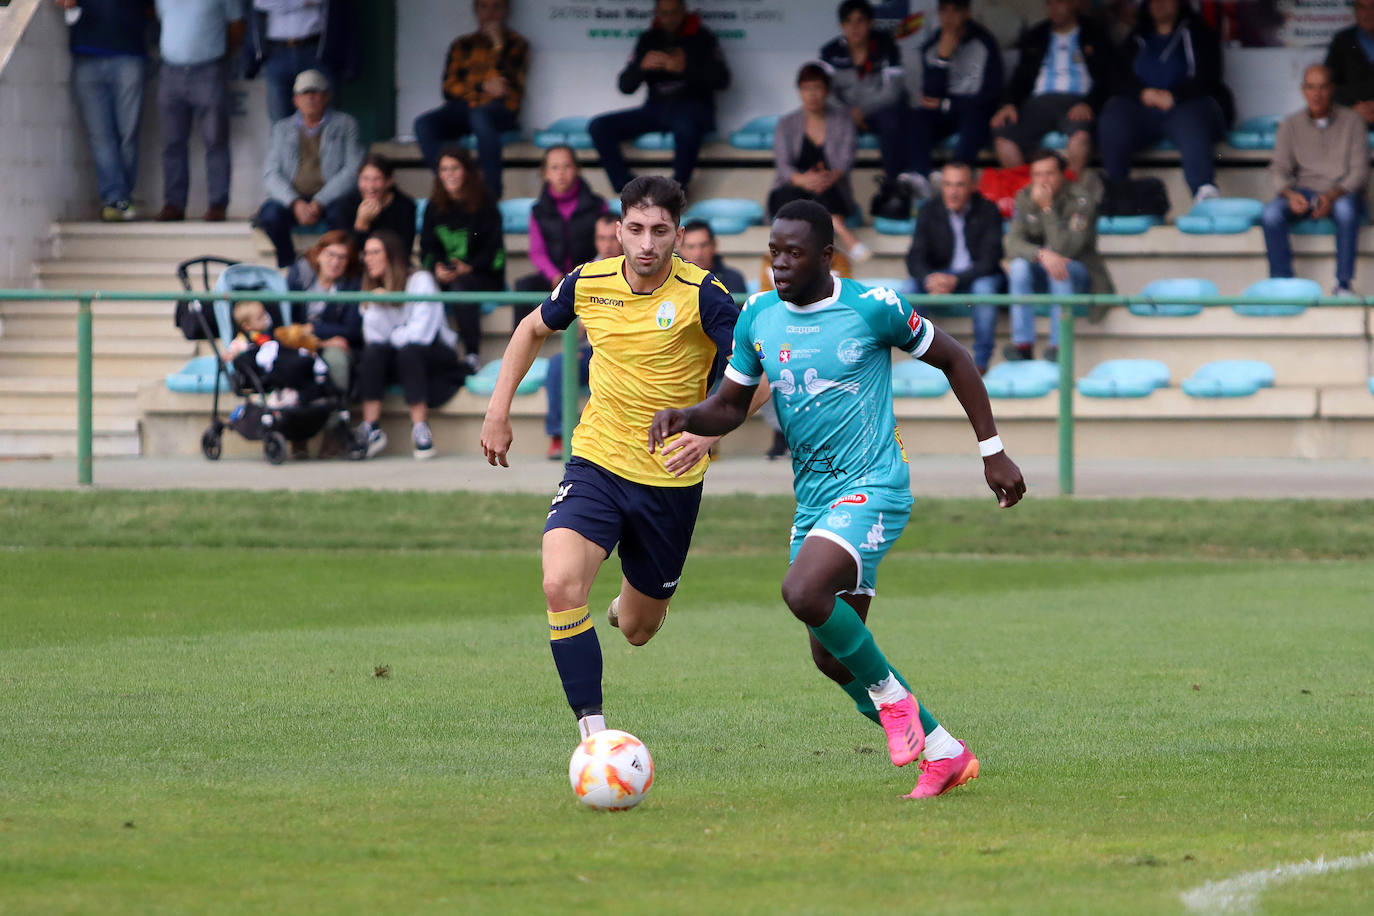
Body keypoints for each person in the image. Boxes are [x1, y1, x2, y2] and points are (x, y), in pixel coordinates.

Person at [648, 199, 1025, 799]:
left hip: (875, 485)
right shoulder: (758, 317)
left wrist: (993, 450)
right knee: (831, 658)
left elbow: (955, 358)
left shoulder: (873, 308)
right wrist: (685, 415)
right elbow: (728, 404)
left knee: (802, 591)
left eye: (794, 253)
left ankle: (895, 705)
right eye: (774, 251)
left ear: (827, 256)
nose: (780, 264)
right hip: (816, 499)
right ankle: (946, 753)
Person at [479, 176, 740, 741]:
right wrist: (497, 410)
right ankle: (595, 738)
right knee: (560, 585)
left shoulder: (705, 294)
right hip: (596, 461)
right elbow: (529, 329)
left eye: (660, 231)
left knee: (639, 630)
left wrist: (708, 431)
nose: (647, 244)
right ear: (618, 229)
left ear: (679, 234)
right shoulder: (588, 280)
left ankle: (630, 601)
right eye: (636, 229)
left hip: (670, 482)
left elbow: (754, 373)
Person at [588, 0, 731, 194]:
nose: (669, 19)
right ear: (656, 13)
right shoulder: (649, 39)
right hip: (656, 109)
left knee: (686, 125)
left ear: (684, 11)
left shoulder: (702, 37)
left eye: (674, 13)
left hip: (694, 109)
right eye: (664, 13)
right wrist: (640, 68)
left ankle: (677, 192)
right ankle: (627, 188)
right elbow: (625, 86)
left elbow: (723, 81)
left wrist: (686, 68)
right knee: (599, 126)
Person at [1096, 0, 1230, 204]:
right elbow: (1117, 76)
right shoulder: (1138, 35)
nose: (1160, 4)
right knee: (1114, 114)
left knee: (1190, 120)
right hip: (1145, 109)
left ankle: (1204, 192)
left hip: (1188, 106)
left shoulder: (1199, 32)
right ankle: (1117, 189)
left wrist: (1174, 96)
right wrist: (1142, 93)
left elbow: (1209, 76)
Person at [353, 230, 468, 461]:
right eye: (366, 253)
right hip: (399, 357)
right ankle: (371, 426)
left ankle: (420, 428)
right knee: (373, 353)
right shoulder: (372, 288)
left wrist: (393, 332)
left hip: (435, 356)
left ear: (392, 255)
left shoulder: (420, 280)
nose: (369, 258)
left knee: (409, 352)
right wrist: (378, 305)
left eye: (376, 252)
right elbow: (374, 338)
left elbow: (421, 335)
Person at [1263, 65, 1369, 297]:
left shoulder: (1353, 121)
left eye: (1322, 87)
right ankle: (1284, 286)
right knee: (1271, 214)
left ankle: (1343, 285)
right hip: (1304, 192)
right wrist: (1290, 195)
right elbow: (1278, 169)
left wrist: (1331, 196)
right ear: (1303, 90)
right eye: (1311, 87)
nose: (1316, 94)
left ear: (1332, 89)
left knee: (1345, 211)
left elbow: (1359, 173)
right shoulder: (1290, 124)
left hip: (1342, 194)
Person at [1004, 149, 1113, 361]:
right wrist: (1041, 254)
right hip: (1042, 270)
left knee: (1059, 269)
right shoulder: (1024, 197)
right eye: (1038, 175)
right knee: (1017, 267)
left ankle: (1057, 347)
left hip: (1080, 273)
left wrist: (1047, 209)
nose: (1043, 181)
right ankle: (1023, 345)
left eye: (1050, 173)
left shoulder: (1081, 200)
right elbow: (1013, 244)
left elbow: (1066, 249)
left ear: (1063, 174)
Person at [413, 0, 529, 199]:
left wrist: (497, 47)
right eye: (484, 7)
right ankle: (453, 184)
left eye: (496, 7)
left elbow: (504, 87)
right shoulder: (461, 45)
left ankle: (491, 194)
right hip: (464, 108)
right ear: (476, 11)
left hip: (500, 111)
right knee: (424, 124)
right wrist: (480, 87)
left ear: (506, 10)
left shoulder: (516, 44)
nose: (490, 13)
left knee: (480, 116)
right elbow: (449, 89)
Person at [991, 0, 1113, 177]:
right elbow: (1020, 78)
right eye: (1049, 4)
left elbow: (1107, 78)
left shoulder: (1095, 33)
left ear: (1072, 4)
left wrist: (1089, 103)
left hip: (1077, 102)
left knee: (1081, 138)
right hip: (1038, 103)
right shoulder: (1037, 35)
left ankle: (1070, 195)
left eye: (1059, 3)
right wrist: (1009, 104)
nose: (1053, 8)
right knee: (1003, 135)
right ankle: (1025, 196)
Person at [257, 69, 365, 268]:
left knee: (342, 213)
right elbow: (271, 173)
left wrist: (320, 201)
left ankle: (337, 265)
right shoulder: (282, 128)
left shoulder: (345, 124)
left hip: (331, 198)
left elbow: (352, 170)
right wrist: (295, 202)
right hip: (294, 199)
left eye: (316, 93)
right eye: (305, 94)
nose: (310, 98)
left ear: (327, 97)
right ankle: (289, 264)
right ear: (295, 100)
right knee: (269, 215)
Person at [906, 161, 1005, 374]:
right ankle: (922, 357)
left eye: (959, 185)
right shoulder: (928, 211)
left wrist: (956, 280)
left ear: (972, 186)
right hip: (940, 276)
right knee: (909, 290)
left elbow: (990, 260)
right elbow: (915, 257)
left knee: (985, 289)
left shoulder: (988, 210)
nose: (953, 192)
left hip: (977, 276)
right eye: (948, 185)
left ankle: (981, 363)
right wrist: (929, 279)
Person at [152, 0, 244, 223]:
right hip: (170, 71)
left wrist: (219, 56)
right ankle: (174, 204)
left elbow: (237, 27)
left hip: (209, 69)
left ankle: (217, 204)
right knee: (172, 143)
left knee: (215, 140)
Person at [768, 62, 870, 264]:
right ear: (800, 91)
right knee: (790, 194)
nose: (812, 94)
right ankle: (841, 229)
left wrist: (827, 177)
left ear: (827, 91)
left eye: (817, 88)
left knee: (824, 190)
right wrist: (803, 180)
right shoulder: (787, 123)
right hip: (794, 188)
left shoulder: (843, 120)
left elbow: (845, 161)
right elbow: (783, 165)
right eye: (807, 88)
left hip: (830, 187)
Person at [418, 146, 506, 373]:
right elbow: (427, 248)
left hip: (482, 276)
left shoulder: (486, 203)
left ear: (466, 171)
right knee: (423, 283)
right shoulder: (432, 206)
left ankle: (471, 354)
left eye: (455, 168)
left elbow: (494, 252)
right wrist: (436, 267)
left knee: (461, 285)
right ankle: (430, 354)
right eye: (444, 169)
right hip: (446, 276)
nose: (449, 174)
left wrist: (469, 267)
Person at [58, 0, 148, 222]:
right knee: (101, 136)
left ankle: (121, 198)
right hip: (87, 56)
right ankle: (115, 198)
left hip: (129, 55)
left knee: (128, 133)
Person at [905, 0, 1004, 198]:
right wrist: (942, 58)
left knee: (975, 118)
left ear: (967, 13)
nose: (949, 17)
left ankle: (957, 178)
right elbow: (930, 97)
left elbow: (991, 95)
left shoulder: (984, 42)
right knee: (916, 117)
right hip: (945, 111)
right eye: (944, 11)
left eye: (955, 10)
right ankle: (920, 178)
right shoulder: (933, 44)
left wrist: (948, 104)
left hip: (973, 110)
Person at [544, 213, 623, 460]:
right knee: (559, 363)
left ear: (621, 236)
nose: (607, 244)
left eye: (612, 238)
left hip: (627, 350)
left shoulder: (639, 268)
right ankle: (558, 435)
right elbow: (570, 328)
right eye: (602, 238)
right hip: (591, 349)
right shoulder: (584, 275)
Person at [514, 145, 608, 326]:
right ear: (545, 173)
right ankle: (518, 343)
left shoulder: (597, 205)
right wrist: (555, 276)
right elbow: (537, 252)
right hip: (554, 277)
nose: (561, 173)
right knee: (523, 286)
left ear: (577, 169)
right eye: (554, 168)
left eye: (567, 166)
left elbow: (605, 246)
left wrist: (583, 272)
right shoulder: (538, 211)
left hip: (588, 273)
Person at [818, 0, 907, 184]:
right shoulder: (830, 51)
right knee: (830, 125)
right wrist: (849, 113)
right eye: (848, 21)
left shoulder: (887, 48)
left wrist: (861, 112)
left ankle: (893, 185)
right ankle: (832, 189)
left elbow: (892, 92)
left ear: (871, 23)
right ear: (841, 25)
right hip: (844, 113)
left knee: (892, 121)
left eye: (860, 21)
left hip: (878, 113)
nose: (854, 27)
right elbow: (826, 92)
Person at [242, 0, 361, 124]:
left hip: (316, 49)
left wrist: (284, 4)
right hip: (277, 51)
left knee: (325, 120)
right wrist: (302, 3)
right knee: (280, 122)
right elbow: (261, 2)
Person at [285, 229, 363, 397]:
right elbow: (287, 323)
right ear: (319, 254)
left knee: (337, 358)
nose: (335, 262)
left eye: (342, 257)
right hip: (297, 340)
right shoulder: (299, 276)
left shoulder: (352, 284)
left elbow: (351, 330)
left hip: (335, 345)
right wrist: (316, 339)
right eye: (331, 255)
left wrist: (313, 329)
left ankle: (337, 414)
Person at [334, 154, 418, 254]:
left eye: (377, 179)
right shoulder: (347, 204)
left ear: (389, 181)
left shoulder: (405, 206)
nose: (370, 186)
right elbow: (345, 252)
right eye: (365, 179)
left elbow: (404, 248)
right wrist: (361, 225)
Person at [1324, 0, 1374, 127]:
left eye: (1372, 7)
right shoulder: (1342, 41)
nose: (1368, 13)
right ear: (1355, 10)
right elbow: (1328, 86)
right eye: (1362, 7)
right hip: (1349, 125)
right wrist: (1352, 108)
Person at [679, 221, 747, 295]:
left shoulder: (733, 279)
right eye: (691, 247)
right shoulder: (672, 280)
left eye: (703, 245)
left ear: (714, 245)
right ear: (681, 249)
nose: (698, 253)